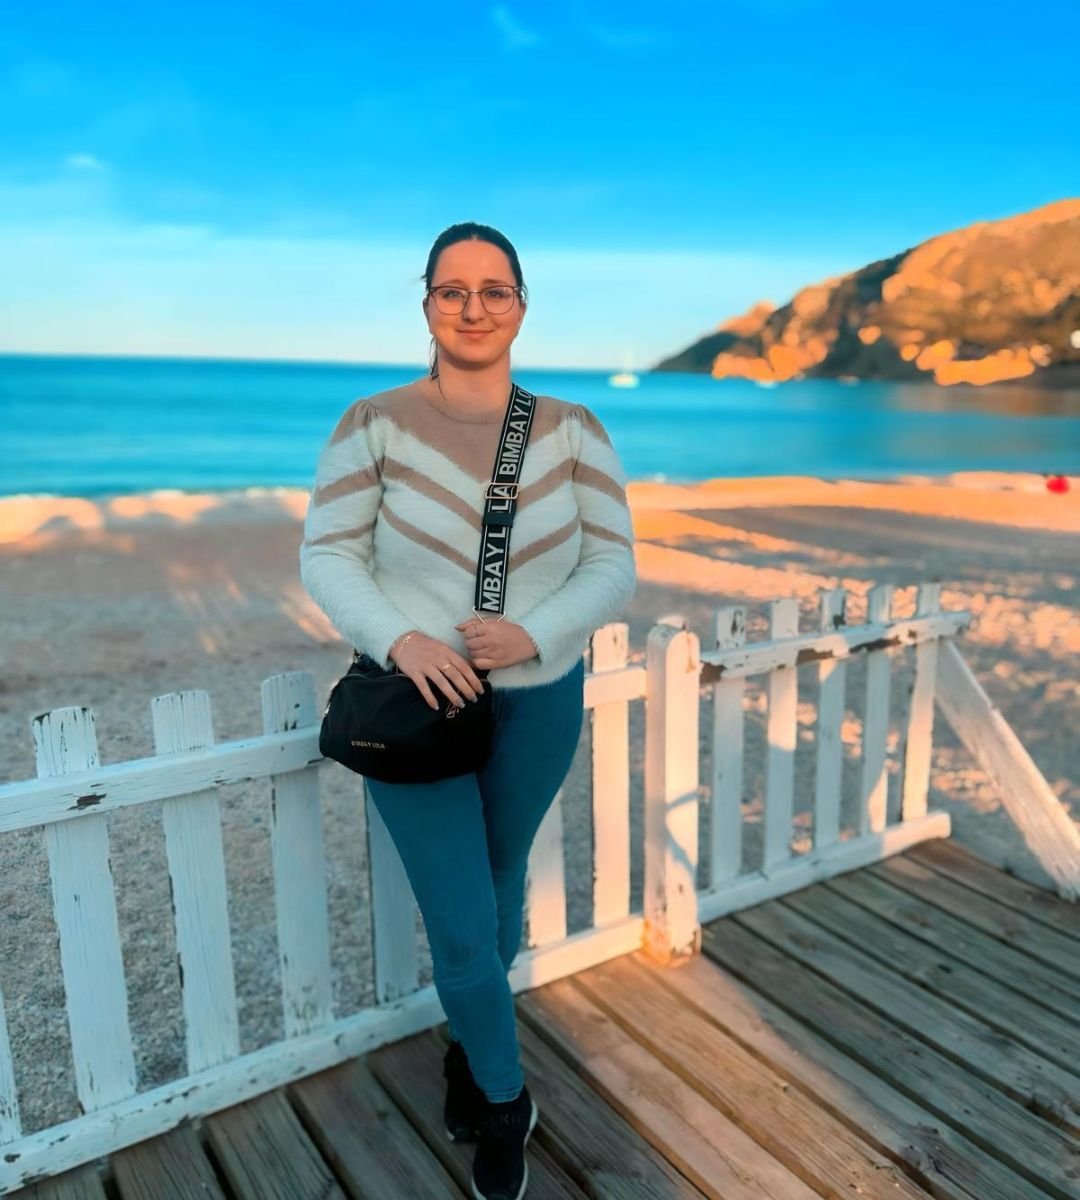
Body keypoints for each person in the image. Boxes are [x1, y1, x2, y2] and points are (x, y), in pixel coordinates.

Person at [299, 221, 636, 1200]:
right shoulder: (372, 421)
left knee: (498, 882)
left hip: (541, 702)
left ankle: (467, 1044)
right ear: (427, 305)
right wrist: (402, 639)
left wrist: (532, 632)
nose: (474, 308)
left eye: (495, 290)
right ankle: (503, 1097)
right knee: (459, 924)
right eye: (453, 290)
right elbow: (329, 552)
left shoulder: (573, 428)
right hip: (414, 707)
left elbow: (612, 562)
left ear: (521, 307)